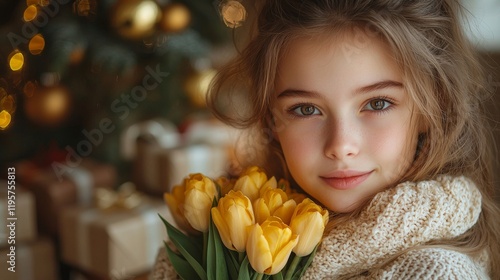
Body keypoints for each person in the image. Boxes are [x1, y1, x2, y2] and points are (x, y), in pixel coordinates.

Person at [152, 0, 500, 278]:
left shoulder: (435, 273)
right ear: (271, 118)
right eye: (305, 109)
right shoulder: (232, 226)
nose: (341, 145)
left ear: (432, 105)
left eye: (377, 103)